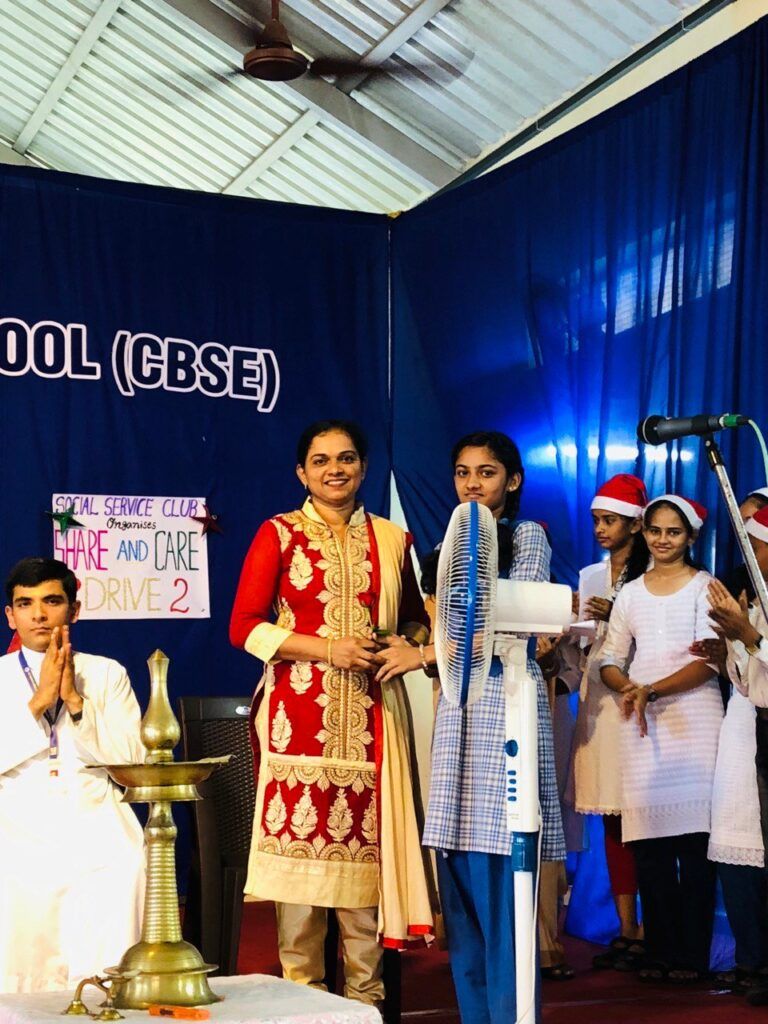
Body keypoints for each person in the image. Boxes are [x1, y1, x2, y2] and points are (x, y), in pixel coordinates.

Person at [229, 419, 432, 1008]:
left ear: (363, 468)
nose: (334, 470)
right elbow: (244, 628)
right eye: (320, 461)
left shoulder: (391, 539)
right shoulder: (279, 534)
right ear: (302, 472)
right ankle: (304, 1003)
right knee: (299, 871)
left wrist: (407, 644)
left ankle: (366, 1006)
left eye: (345, 459)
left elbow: (416, 619)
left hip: (372, 721)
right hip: (296, 721)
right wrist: (326, 649)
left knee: (365, 870)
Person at [376, 430, 566, 1023]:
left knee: (503, 896)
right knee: (461, 903)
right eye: (463, 472)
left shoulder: (526, 536)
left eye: (487, 472)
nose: (473, 484)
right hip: (457, 719)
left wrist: (422, 654)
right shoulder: (449, 546)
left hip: (505, 712)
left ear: (512, 480)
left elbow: (511, 625)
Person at [0, 557, 145, 994]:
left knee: (126, 857)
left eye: (51, 601)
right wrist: (38, 702)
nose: (39, 615)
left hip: (94, 812)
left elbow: (132, 765)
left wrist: (77, 704)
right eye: (25, 604)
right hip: (15, 817)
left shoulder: (106, 673)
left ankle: (104, 997)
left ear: (74, 610)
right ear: (10, 615)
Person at [600, 495, 723, 983]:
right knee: (649, 847)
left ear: (691, 537)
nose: (663, 540)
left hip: (694, 722)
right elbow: (611, 658)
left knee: (694, 849)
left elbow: (708, 662)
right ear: (644, 532)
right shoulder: (630, 594)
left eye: (674, 532)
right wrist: (628, 687)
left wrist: (650, 690)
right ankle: (659, 950)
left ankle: (691, 957)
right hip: (642, 722)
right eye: (655, 530)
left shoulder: (705, 587)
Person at [563, 475, 648, 970]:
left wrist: (617, 613)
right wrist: (574, 624)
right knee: (613, 818)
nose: (600, 528)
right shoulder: (592, 573)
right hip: (598, 697)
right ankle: (626, 926)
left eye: (610, 520)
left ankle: (655, 925)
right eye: (596, 520)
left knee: (645, 816)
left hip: (639, 696)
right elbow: (584, 648)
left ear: (635, 525)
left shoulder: (652, 576)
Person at [707, 506, 768, 1001]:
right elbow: (748, 684)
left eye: (757, 546)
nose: (749, 556)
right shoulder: (757, 601)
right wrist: (733, 639)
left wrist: (749, 636)